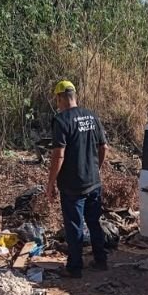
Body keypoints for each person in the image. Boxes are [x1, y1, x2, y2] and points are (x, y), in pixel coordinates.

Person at [46, 80, 108, 278]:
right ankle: (101, 260)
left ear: (61, 97)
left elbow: (59, 155)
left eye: (57, 99)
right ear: (74, 95)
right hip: (93, 182)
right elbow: (104, 147)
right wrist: (96, 168)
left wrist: (51, 183)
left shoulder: (61, 120)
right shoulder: (92, 116)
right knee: (94, 222)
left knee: (74, 226)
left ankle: (75, 268)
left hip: (73, 185)